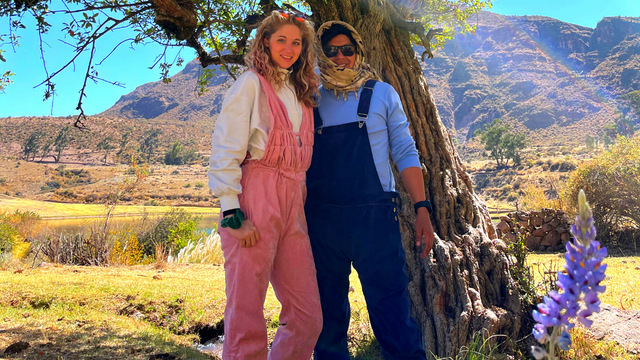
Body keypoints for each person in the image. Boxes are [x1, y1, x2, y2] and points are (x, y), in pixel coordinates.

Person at [305, 21, 435, 360]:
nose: (340, 57)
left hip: (375, 222)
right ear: (321, 53)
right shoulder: (308, 97)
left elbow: (405, 152)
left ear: (358, 51)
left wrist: (422, 208)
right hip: (321, 222)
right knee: (327, 321)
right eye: (331, 50)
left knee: (392, 313)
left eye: (347, 49)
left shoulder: (382, 93)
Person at [207, 11, 322, 360]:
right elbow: (225, 148)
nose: (289, 48)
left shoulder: (301, 90)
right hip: (255, 197)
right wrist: (232, 213)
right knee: (245, 315)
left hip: (293, 202)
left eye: (296, 42)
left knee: (307, 317)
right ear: (266, 43)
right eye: (281, 40)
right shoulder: (250, 84)